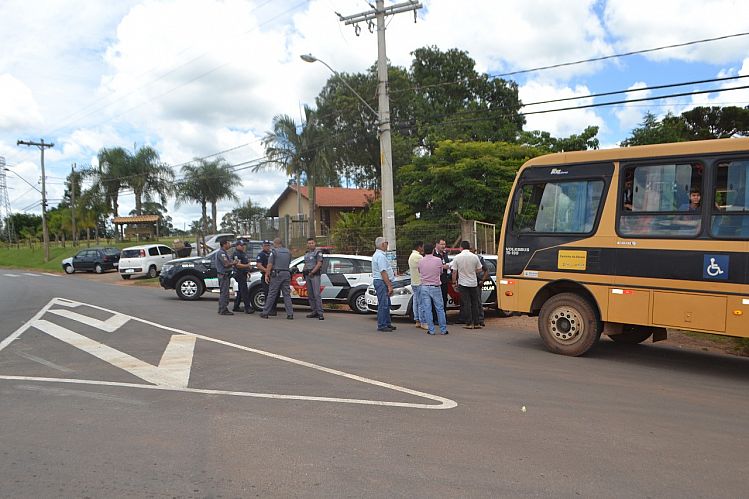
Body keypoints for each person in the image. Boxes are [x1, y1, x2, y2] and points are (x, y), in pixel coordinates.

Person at [418, 242, 448, 335]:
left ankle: (431, 330)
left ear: (424, 251)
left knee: (427, 308)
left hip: (424, 286)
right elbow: (440, 272)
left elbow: (420, 271)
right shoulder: (438, 260)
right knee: (439, 308)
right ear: (432, 250)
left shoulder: (421, 261)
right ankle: (443, 329)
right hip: (435, 286)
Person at [260, 238, 294, 320]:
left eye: (273, 244)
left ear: (276, 243)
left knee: (272, 293)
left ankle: (265, 312)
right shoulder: (288, 252)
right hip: (286, 273)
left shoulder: (274, 252)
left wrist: (267, 274)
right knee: (286, 294)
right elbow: (289, 262)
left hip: (277, 274)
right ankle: (290, 314)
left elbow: (270, 264)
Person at [451, 240, 483, 329]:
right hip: (473, 283)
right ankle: (476, 323)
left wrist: (454, 283)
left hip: (463, 283)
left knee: (466, 303)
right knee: (475, 303)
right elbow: (480, 269)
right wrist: (472, 271)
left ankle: (469, 323)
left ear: (461, 247)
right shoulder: (474, 257)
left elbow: (454, 272)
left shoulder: (457, 257)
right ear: (469, 247)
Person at [372, 236, 396, 332]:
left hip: (382, 282)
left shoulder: (379, 255)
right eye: (386, 243)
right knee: (383, 304)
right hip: (382, 282)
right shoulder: (380, 256)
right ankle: (382, 324)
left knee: (386, 303)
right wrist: (389, 285)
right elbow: (383, 272)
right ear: (382, 244)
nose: (387, 245)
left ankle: (387, 322)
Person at [303, 237, 324, 320]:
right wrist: (303, 273)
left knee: (317, 294)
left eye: (312, 243)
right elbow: (306, 264)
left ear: (315, 243)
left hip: (315, 275)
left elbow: (319, 264)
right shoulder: (307, 253)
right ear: (307, 244)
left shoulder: (318, 252)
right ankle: (314, 311)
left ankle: (320, 313)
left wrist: (312, 272)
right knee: (310, 295)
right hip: (308, 275)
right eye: (309, 243)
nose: (311, 244)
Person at [231, 239, 254, 314]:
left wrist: (247, 270)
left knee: (241, 291)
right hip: (239, 273)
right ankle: (247, 308)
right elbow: (238, 265)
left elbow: (245, 263)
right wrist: (247, 266)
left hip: (243, 273)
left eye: (243, 245)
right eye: (241, 245)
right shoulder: (236, 254)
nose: (243, 246)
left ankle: (236, 306)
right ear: (237, 246)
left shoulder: (243, 253)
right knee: (244, 291)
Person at [214, 238, 235, 316]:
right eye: (228, 243)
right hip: (223, 275)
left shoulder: (224, 252)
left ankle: (221, 308)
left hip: (225, 275)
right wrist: (234, 263)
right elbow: (226, 264)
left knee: (224, 292)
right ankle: (223, 309)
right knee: (224, 293)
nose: (229, 245)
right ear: (224, 244)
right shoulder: (221, 253)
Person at [408, 241, 426, 329]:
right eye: (422, 247)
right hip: (419, 282)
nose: (423, 249)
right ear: (419, 247)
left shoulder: (411, 256)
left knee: (416, 301)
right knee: (421, 303)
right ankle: (422, 321)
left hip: (413, 282)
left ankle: (417, 320)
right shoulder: (419, 257)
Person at [434, 239, 451, 319]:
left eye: (444, 244)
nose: (443, 246)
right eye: (441, 244)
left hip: (444, 280)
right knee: (436, 300)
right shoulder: (433, 254)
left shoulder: (445, 254)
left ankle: (443, 317)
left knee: (444, 299)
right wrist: (442, 267)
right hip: (436, 280)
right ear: (437, 244)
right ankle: (435, 318)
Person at [255, 240, 272, 311]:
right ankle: (267, 309)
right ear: (262, 246)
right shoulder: (261, 254)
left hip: (273, 276)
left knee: (273, 293)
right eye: (265, 245)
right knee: (267, 292)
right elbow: (259, 265)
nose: (267, 247)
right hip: (265, 275)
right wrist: (267, 271)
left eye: (268, 245)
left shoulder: (271, 254)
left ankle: (272, 308)